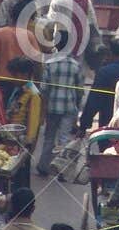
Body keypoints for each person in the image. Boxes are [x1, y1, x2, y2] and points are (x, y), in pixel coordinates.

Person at [35, 33, 84, 176]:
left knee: (49, 137)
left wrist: (43, 110)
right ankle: (62, 170)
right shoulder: (75, 65)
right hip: (69, 107)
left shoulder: (50, 64)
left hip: (52, 106)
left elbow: (43, 89)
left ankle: (43, 166)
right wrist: (78, 107)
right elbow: (79, 90)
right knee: (64, 138)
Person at [76, 34, 119, 132]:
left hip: (108, 124)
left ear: (111, 53)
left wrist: (84, 124)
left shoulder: (105, 72)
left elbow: (94, 100)